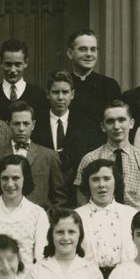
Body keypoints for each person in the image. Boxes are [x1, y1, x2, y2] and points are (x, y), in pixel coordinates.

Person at [73, 100, 140, 210]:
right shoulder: (90, 159)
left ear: (131, 123)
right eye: (110, 121)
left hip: (134, 221)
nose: (116, 126)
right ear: (103, 126)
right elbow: (82, 201)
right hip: (100, 220)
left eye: (121, 120)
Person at [0, 101, 66, 210]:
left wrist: (48, 219)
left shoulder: (49, 156)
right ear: (8, 124)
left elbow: (59, 197)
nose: (21, 128)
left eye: (26, 123)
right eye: (16, 123)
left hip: (39, 221)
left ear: (33, 125)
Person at [33, 70, 95, 206]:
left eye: (65, 92)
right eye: (55, 92)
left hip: (77, 195)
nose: (60, 97)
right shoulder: (36, 124)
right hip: (45, 194)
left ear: (72, 94)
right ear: (47, 94)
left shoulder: (85, 124)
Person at [73, 159, 137, 279]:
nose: (101, 184)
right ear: (88, 184)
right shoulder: (76, 217)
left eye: (107, 178)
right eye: (95, 179)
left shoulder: (131, 215)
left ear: (116, 182)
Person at [65, 29, 121, 145]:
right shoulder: (62, 85)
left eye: (93, 49)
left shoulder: (110, 85)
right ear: (70, 53)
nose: (89, 54)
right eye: (83, 49)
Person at [0, 38, 48, 125]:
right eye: (8, 64)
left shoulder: (38, 95)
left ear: (26, 63)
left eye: (17, 64)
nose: (13, 70)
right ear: (1, 63)